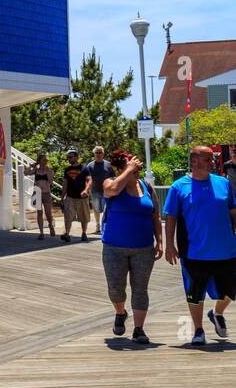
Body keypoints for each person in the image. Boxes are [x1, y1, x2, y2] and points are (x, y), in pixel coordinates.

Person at [163, 145, 236, 347]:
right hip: (194, 251)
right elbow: (171, 217)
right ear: (194, 161)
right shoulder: (179, 187)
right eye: (208, 159)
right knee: (195, 294)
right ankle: (198, 329)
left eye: (213, 159)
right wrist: (169, 245)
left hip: (227, 249)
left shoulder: (223, 183)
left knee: (231, 291)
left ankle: (217, 312)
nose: (212, 162)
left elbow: (233, 212)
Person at [101, 150, 162, 344]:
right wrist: (127, 171)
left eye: (138, 167)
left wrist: (159, 241)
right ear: (120, 168)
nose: (137, 170)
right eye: (132, 167)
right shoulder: (111, 183)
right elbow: (111, 191)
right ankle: (120, 312)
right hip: (114, 247)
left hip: (143, 248)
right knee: (115, 289)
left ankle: (139, 329)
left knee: (140, 289)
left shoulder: (147, 188)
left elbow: (155, 215)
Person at [60, 149, 91, 242]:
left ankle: (84, 233)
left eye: (71, 157)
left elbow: (90, 180)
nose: (69, 159)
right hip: (70, 196)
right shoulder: (67, 170)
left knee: (83, 217)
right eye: (68, 157)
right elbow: (65, 183)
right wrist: (62, 197)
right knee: (68, 216)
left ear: (76, 157)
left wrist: (86, 190)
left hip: (82, 197)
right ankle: (67, 234)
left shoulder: (84, 168)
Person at [24, 154, 56, 239]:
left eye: (46, 160)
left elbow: (50, 181)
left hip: (46, 192)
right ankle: (41, 232)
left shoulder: (49, 170)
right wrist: (31, 166)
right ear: (39, 161)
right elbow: (26, 173)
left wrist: (48, 171)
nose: (45, 161)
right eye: (44, 160)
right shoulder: (36, 170)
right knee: (39, 213)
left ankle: (51, 226)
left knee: (48, 213)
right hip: (37, 193)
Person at [85, 146, 113, 235]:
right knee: (96, 209)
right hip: (94, 191)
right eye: (96, 152)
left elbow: (113, 177)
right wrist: (87, 190)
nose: (98, 154)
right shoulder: (90, 165)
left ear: (103, 154)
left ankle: (106, 226)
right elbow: (87, 179)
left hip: (106, 191)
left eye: (100, 152)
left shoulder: (108, 165)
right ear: (94, 154)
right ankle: (97, 226)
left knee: (106, 209)